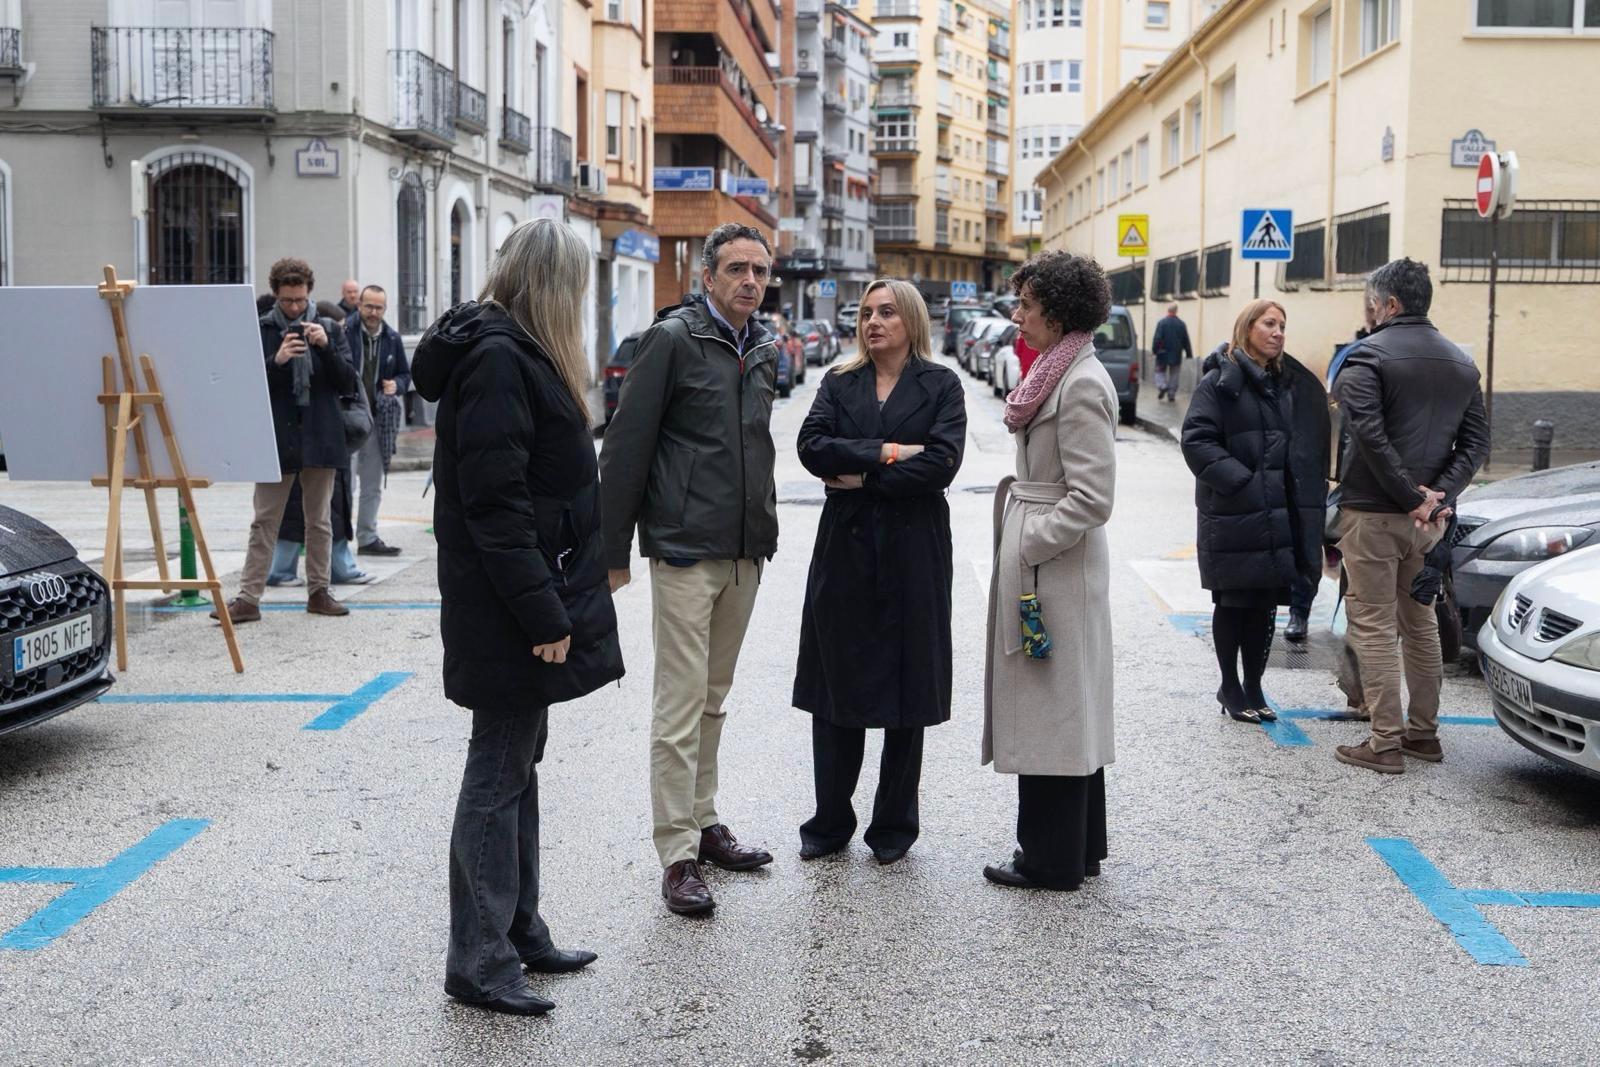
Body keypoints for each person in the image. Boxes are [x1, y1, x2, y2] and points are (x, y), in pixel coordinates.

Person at [410, 218, 624, 1017]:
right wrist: (542, 610)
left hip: (520, 595)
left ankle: (518, 929)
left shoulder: (510, 348)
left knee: (519, 764)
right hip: (508, 605)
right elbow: (495, 507)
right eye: (576, 283)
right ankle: (478, 959)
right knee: (497, 773)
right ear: (551, 284)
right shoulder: (501, 358)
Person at [600, 223, 781, 917]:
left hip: (743, 550)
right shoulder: (673, 340)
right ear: (706, 277)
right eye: (735, 268)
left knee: (713, 697)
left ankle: (704, 822)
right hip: (681, 549)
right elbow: (624, 447)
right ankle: (676, 853)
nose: (749, 280)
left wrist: (762, 526)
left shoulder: (761, 346)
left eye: (759, 270)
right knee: (678, 705)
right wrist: (612, 552)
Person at [792, 279, 966, 865]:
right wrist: (892, 452)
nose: (873, 322)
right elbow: (813, 447)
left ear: (911, 321)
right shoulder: (839, 381)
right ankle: (830, 820)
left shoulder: (941, 384)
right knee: (836, 686)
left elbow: (942, 464)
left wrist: (861, 470)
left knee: (905, 688)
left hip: (915, 552)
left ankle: (893, 826)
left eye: (886, 312)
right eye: (867, 312)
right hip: (845, 550)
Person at [981, 250, 1118, 893]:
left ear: (1059, 316)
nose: (1018, 315)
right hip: (1052, 565)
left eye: (1028, 306)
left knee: (1053, 709)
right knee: (1062, 706)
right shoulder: (1060, 372)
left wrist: (1030, 543)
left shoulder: (1081, 382)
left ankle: (1050, 859)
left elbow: (1093, 496)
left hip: (1056, 567)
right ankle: (1078, 849)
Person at [1331, 258, 1489, 774]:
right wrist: (1437, 496)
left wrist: (1410, 495)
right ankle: (1423, 734)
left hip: (1375, 513)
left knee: (1374, 624)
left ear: (1391, 304)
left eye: (1374, 303)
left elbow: (1370, 438)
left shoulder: (1367, 357)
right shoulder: (1463, 364)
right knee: (1418, 622)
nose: (1372, 312)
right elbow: (1476, 443)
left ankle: (1383, 742)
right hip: (1428, 520)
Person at [1180, 301, 1330, 724]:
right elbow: (1196, 441)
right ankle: (1229, 686)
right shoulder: (1219, 381)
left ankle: (1255, 685)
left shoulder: (1284, 383)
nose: (1279, 332)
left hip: (1275, 513)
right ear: (1247, 328)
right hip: (1233, 513)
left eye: (1283, 325)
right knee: (1234, 601)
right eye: (1270, 323)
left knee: (1265, 604)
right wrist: (1242, 482)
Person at [215, 257, 360, 624]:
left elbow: (348, 384)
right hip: (276, 439)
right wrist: (276, 361)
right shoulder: (262, 329)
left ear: (309, 293)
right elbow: (247, 386)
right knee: (264, 520)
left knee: (320, 520)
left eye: (299, 300)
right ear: (276, 295)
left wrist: (326, 347)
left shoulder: (328, 327)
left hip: (320, 437)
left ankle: (319, 591)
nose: (294, 308)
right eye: (287, 301)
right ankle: (248, 598)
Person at [344, 285, 410, 557]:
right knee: (344, 485)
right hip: (347, 421)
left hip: (376, 423)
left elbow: (406, 375)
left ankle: (368, 538)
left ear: (385, 308)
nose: (373, 313)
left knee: (372, 484)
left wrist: (397, 384)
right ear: (359, 305)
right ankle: (338, 541)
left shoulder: (392, 338)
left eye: (379, 307)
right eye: (369, 306)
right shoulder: (344, 332)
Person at [1150, 303, 1193, 402]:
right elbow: (1186, 340)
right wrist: (1189, 353)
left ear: (1168, 310)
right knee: (1175, 374)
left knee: (1159, 372)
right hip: (1176, 354)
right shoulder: (1181, 324)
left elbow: (1157, 338)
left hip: (1162, 353)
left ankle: (1163, 386)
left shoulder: (1162, 323)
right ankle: (1171, 394)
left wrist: (1155, 350)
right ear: (1176, 311)